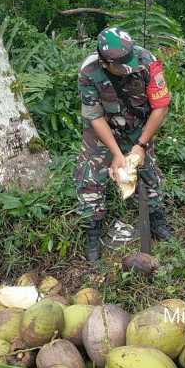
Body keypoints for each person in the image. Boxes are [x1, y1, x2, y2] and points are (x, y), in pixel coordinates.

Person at [74, 27, 172, 261]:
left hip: (139, 127)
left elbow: (160, 107)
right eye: (121, 66)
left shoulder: (147, 61)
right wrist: (117, 154)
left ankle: (156, 221)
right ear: (105, 63)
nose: (129, 69)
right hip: (103, 128)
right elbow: (94, 116)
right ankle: (92, 232)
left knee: (148, 173)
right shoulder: (89, 71)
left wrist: (140, 144)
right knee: (89, 177)